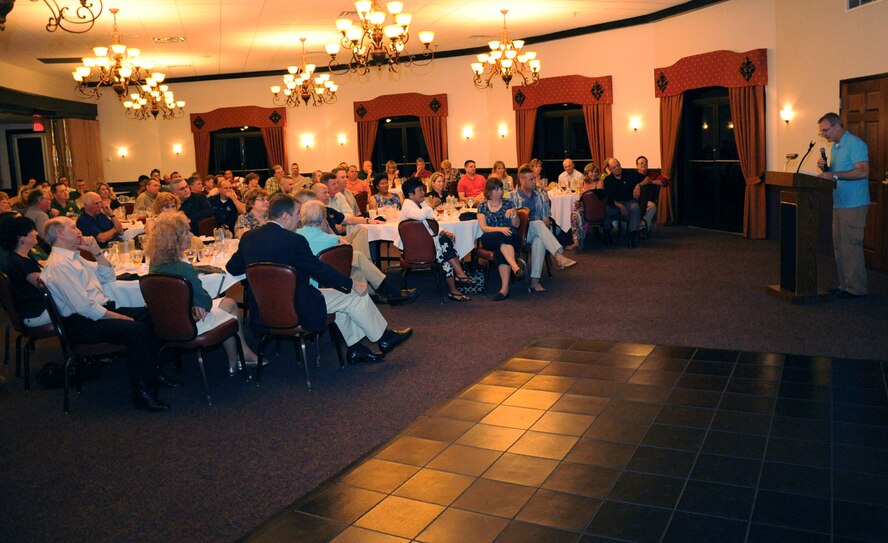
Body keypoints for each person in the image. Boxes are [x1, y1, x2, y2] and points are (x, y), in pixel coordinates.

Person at [227, 194, 412, 364]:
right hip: (298, 307)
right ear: (284, 216)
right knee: (354, 295)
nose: (299, 219)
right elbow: (319, 270)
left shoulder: (249, 238)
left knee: (341, 297)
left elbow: (233, 268)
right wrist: (351, 283)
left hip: (265, 309)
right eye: (296, 214)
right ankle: (384, 338)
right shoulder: (294, 240)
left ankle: (357, 349)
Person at [40, 217, 171, 412]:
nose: (79, 231)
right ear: (59, 234)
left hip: (95, 313)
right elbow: (85, 308)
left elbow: (108, 276)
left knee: (152, 315)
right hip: (81, 324)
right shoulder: (59, 265)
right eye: (73, 228)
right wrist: (120, 317)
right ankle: (141, 391)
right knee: (137, 330)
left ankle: (153, 373)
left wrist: (96, 252)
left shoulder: (73, 257)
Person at [145, 212, 259, 373]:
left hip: (167, 321)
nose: (191, 235)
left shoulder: (155, 264)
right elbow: (206, 303)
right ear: (175, 240)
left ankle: (241, 357)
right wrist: (196, 304)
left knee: (229, 303)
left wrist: (193, 302)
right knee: (230, 307)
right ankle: (236, 361)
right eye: (186, 232)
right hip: (191, 323)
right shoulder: (183, 268)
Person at [296, 200, 417, 305]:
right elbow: (346, 250)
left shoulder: (296, 234)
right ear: (323, 218)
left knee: (357, 264)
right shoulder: (330, 239)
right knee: (357, 257)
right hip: (325, 275)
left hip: (307, 277)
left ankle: (373, 293)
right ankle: (390, 291)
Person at [817, 112, 870, 298]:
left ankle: (856, 289)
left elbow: (863, 172)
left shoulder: (855, 143)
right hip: (839, 202)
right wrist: (826, 169)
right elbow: (838, 173)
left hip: (854, 203)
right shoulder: (836, 147)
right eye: (821, 132)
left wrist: (833, 174)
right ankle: (845, 285)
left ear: (837, 126)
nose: (823, 134)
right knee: (840, 245)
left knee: (851, 245)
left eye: (825, 130)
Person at [399, 178, 475, 302]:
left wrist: (443, 231)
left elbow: (432, 223)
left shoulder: (421, 204)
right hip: (414, 249)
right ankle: (459, 277)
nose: (423, 193)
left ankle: (456, 286)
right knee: (445, 245)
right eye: (420, 190)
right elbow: (421, 216)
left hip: (426, 244)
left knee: (445, 247)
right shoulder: (407, 207)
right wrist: (432, 205)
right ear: (411, 195)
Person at [510, 164, 577, 292]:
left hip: (537, 231)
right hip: (520, 233)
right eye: (531, 179)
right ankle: (558, 256)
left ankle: (534, 281)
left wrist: (543, 228)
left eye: (534, 179)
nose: (534, 182)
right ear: (522, 180)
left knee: (539, 239)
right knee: (538, 224)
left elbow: (546, 220)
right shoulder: (513, 196)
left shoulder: (540, 196)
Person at [477, 178, 524, 301]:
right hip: (490, 237)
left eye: (500, 189)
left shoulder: (508, 203)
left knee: (502, 245)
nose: (500, 192)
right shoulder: (482, 206)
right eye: (496, 189)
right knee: (498, 237)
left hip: (509, 237)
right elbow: (484, 228)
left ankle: (504, 289)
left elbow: (516, 225)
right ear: (489, 191)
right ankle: (515, 266)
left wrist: (514, 213)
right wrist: (500, 229)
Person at [0, 216, 49, 326]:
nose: (36, 233)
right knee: (77, 306)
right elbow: (46, 285)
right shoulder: (20, 263)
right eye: (32, 230)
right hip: (35, 313)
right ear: (21, 238)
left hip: (33, 309)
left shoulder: (18, 257)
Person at [603, 157, 651, 248]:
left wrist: (639, 185)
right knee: (604, 210)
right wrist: (620, 206)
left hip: (630, 202)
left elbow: (648, 179)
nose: (617, 168)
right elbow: (608, 198)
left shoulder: (630, 173)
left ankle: (632, 237)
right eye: (614, 167)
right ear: (610, 170)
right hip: (615, 204)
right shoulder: (607, 180)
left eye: (618, 165)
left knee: (635, 208)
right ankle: (607, 233)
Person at [568, 163, 604, 250]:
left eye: (596, 172)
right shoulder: (583, 183)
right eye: (592, 172)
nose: (594, 174)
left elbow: (597, 200)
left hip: (595, 208)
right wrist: (578, 203)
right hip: (584, 207)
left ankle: (580, 241)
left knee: (579, 215)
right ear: (587, 173)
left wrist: (583, 203)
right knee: (574, 215)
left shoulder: (599, 183)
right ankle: (576, 241)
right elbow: (582, 198)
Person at [635, 155, 668, 237]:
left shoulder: (653, 174)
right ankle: (640, 228)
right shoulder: (633, 175)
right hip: (635, 200)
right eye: (641, 163)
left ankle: (641, 227)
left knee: (652, 207)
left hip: (648, 201)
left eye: (645, 163)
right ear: (637, 166)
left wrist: (651, 182)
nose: (643, 165)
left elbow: (664, 181)